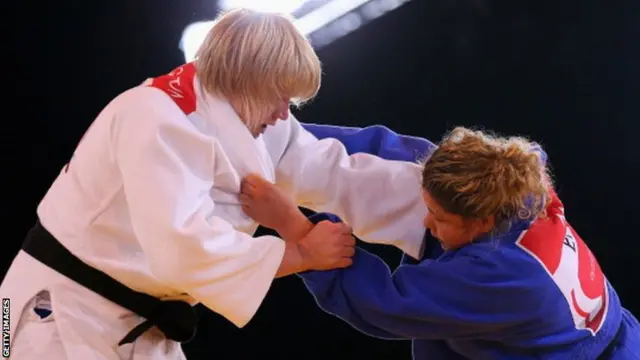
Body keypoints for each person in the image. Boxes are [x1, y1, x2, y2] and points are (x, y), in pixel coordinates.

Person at [0, 8, 429, 360]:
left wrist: (436, 201)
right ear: (247, 79)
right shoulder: (155, 115)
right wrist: (299, 251)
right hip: (55, 310)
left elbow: (333, 170)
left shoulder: (253, 117)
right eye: (280, 95)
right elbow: (181, 246)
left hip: (137, 321)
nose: (284, 112)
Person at [240, 124, 640, 359]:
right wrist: (265, 132)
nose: (427, 221)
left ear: (480, 222)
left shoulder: (499, 277)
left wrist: (294, 226)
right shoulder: (516, 183)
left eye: (442, 218)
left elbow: (384, 306)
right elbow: (394, 158)